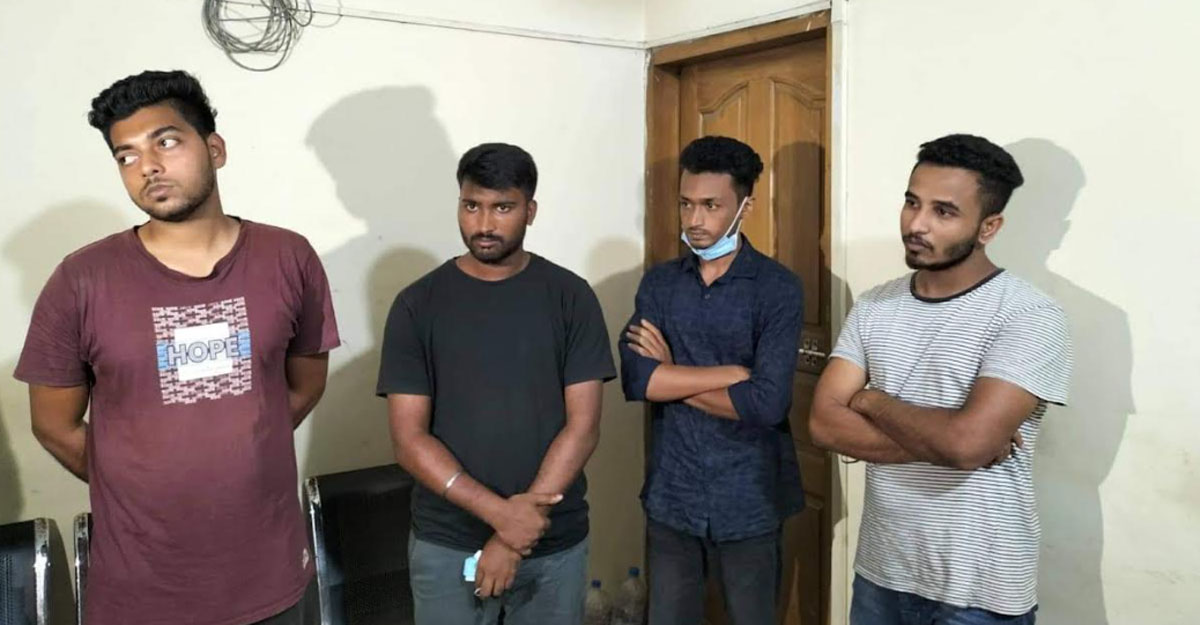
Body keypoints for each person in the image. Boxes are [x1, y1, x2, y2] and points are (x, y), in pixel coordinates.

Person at [14, 70, 339, 624]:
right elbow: (53, 424)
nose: (148, 166)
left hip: (271, 577)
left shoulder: (288, 258)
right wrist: (138, 484)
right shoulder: (81, 280)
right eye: (126, 156)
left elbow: (305, 383)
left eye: (165, 142)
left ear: (215, 149)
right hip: (143, 591)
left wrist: (239, 456)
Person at [809, 134, 1073, 625]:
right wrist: (955, 442)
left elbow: (966, 444)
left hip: (980, 590)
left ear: (989, 226)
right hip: (882, 572)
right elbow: (824, 424)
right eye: (912, 202)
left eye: (943, 211)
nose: (916, 224)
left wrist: (870, 401)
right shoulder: (875, 305)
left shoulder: (1029, 315)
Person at [378, 143, 616, 625]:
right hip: (447, 544)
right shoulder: (417, 304)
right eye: (472, 206)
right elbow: (408, 439)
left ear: (530, 211)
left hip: (553, 545)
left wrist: (512, 535)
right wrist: (503, 517)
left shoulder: (570, 297)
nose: (484, 224)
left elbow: (583, 426)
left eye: (502, 207)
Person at [620, 136, 804, 625]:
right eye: (686, 204)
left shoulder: (777, 288)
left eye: (710, 205)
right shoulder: (660, 283)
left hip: (751, 496)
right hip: (672, 493)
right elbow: (638, 381)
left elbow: (766, 404)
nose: (694, 219)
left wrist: (671, 376)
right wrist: (733, 375)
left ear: (746, 207)